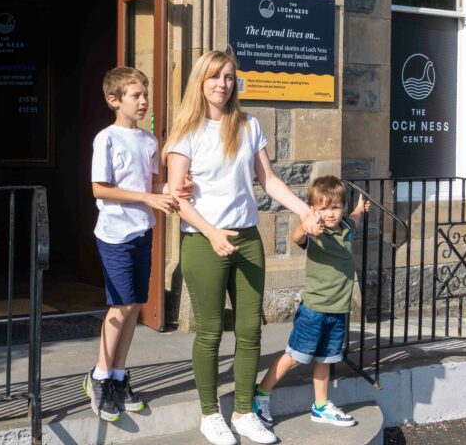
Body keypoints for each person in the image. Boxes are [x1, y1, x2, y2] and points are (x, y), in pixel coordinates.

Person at [165, 50, 322, 445]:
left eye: (230, 77)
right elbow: (178, 198)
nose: (222, 84)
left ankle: (244, 410)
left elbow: (268, 180)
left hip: (248, 238)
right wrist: (212, 232)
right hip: (203, 241)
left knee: (251, 329)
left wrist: (306, 211)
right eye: (215, 77)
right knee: (211, 330)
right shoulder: (186, 131)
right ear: (201, 81)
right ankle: (208, 413)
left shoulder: (248, 125)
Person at [83, 66, 186, 422]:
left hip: (142, 231)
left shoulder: (148, 141)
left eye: (145, 95)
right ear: (114, 101)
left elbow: (154, 185)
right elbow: (101, 188)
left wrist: (174, 191)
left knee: (136, 306)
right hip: (114, 234)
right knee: (121, 306)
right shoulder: (106, 139)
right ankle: (98, 375)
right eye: (135, 96)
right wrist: (147, 197)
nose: (143, 101)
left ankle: (119, 374)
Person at [253, 176, 371, 429]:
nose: (330, 214)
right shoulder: (315, 233)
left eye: (335, 207)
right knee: (294, 356)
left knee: (326, 359)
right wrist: (305, 227)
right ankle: (260, 394)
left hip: (338, 311)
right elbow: (297, 237)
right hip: (314, 311)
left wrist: (360, 209)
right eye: (323, 208)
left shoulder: (347, 227)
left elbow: (355, 218)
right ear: (313, 209)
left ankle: (320, 406)